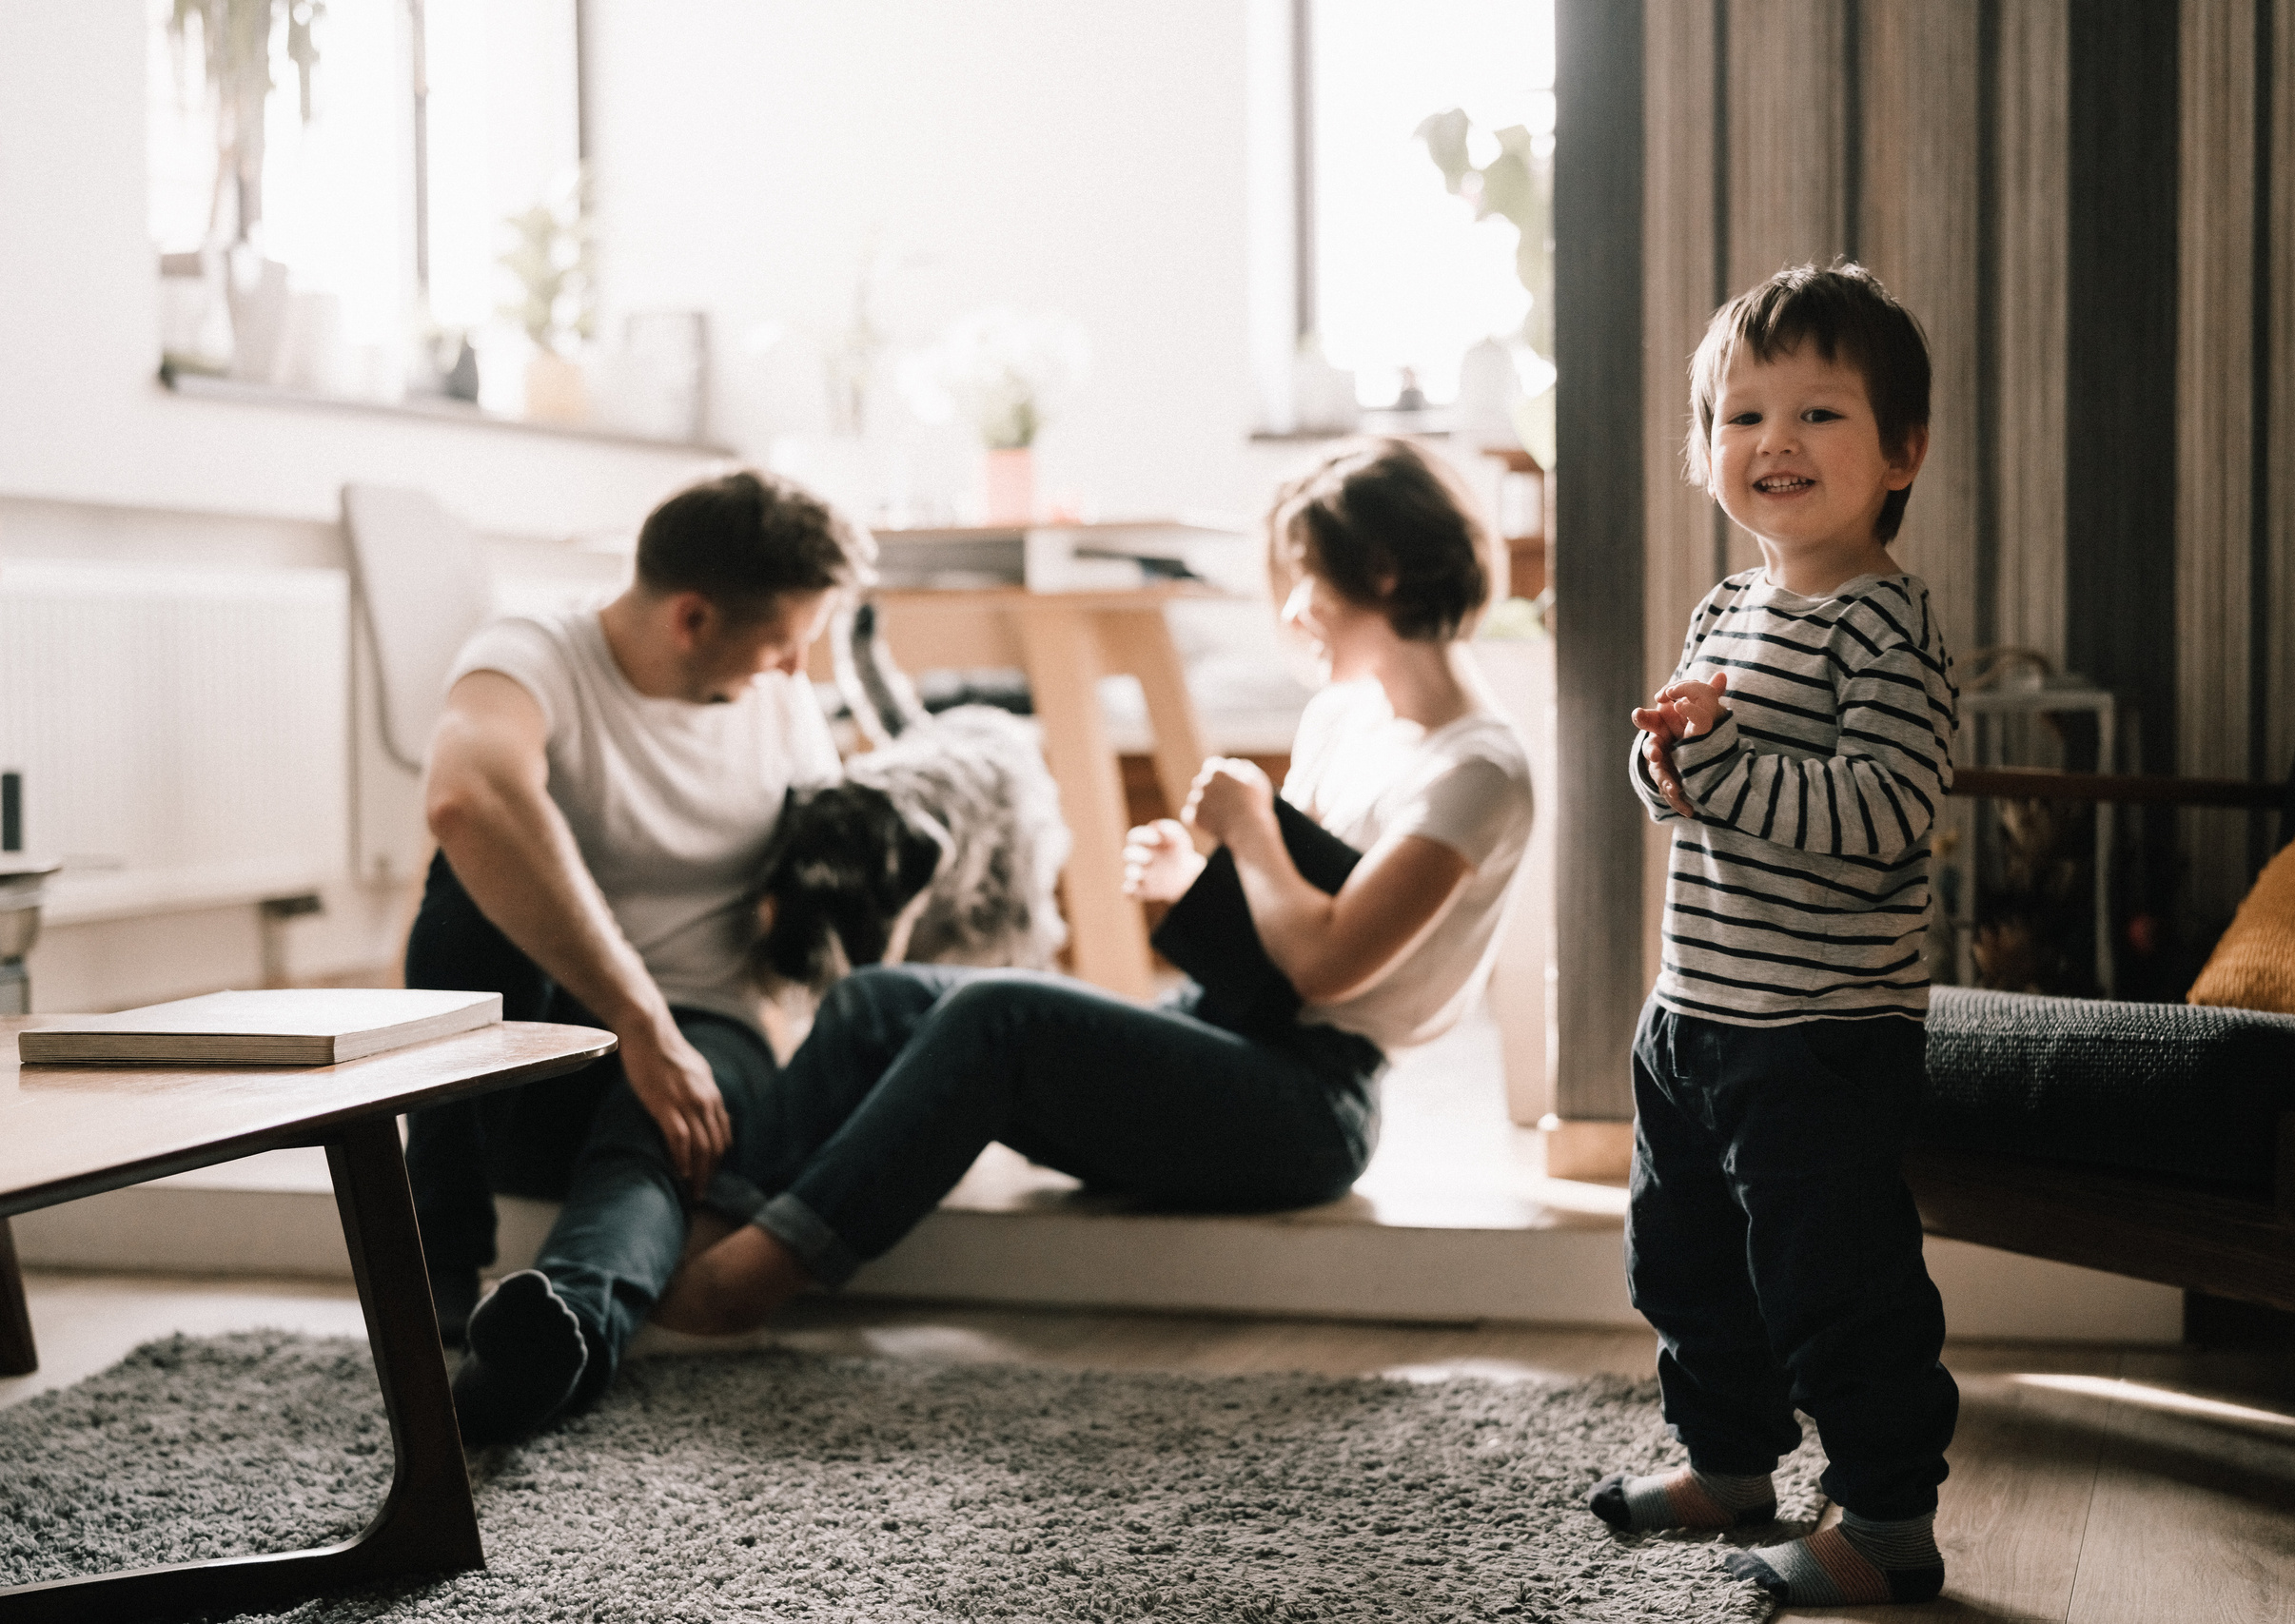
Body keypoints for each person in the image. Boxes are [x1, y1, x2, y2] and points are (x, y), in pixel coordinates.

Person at [457, 435, 1534, 1438]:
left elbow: (1331, 960)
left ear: (1380, 574)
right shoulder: (1346, 717)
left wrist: (1249, 831)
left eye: (1304, 577)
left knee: (997, 1013)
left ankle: (748, 1280)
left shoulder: (1475, 768)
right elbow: (1282, 930)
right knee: (878, 999)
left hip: (1313, 1104)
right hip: (1231, 1026)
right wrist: (1199, 879)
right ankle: (716, 1219)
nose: (1293, 609)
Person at [1588, 262, 1959, 1609]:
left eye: (1818, 414)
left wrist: (1725, 757)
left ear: (1902, 449)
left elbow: (1885, 811)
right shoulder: (1723, 611)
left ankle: (1886, 1514)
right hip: (1695, 1015)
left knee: (1834, 1278)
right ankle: (1730, 1462)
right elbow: (1690, 789)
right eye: (1742, 418)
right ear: (1703, 454)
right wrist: (1665, 762)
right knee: (1686, 1260)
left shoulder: (1884, 626)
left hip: (1820, 1031)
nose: (1775, 444)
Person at [402, 469, 869, 1440]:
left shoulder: (779, 709)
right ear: (693, 618)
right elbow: (466, 794)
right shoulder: (534, 650)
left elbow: (830, 902)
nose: (793, 672)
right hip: (539, 1052)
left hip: (707, 1043)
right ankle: (437, 1253)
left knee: (656, 1142)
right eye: (784, 643)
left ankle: (555, 1338)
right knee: (465, 888)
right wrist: (637, 1023)